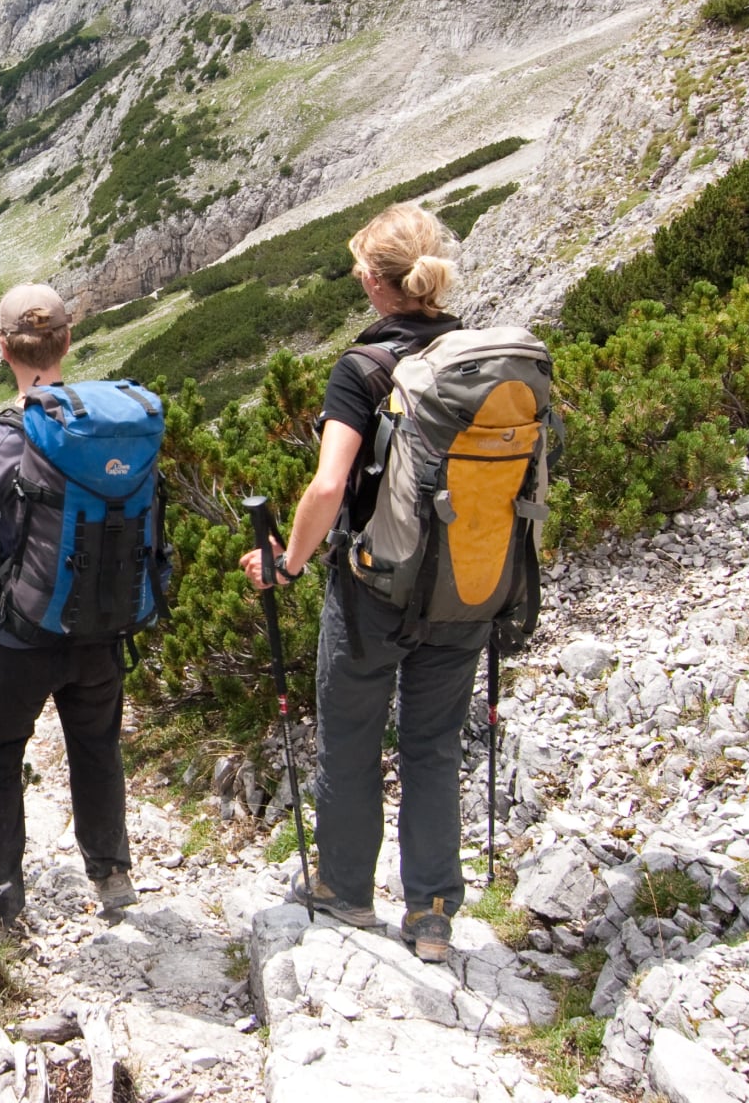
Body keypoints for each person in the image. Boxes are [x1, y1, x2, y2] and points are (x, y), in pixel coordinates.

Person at [237, 202, 481, 963]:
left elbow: (328, 486)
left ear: (376, 283)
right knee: (433, 744)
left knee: (348, 735)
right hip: (466, 584)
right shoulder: (475, 355)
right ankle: (433, 912)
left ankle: (344, 888)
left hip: (375, 586)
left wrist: (289, 561)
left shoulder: (363, 368)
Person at [0, 282, 138, 932]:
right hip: (102, 626)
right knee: (95, 742)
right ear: (69, 341)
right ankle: (113, 876)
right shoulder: (115, 426)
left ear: (2, 349)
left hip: (25, 635)